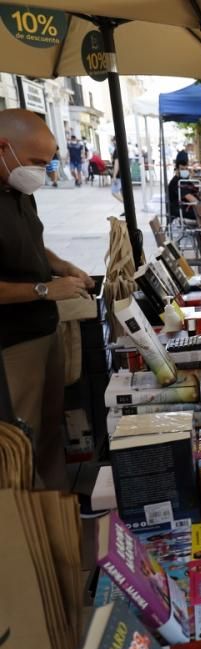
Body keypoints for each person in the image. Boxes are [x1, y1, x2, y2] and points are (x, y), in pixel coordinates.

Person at [0, 109, 95, 491]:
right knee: (21, 444)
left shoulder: (18, 191)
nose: (42, 172)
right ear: (4, 148)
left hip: (44, 329)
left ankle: (61, 511)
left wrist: (61, 266)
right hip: (12, 345)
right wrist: (43, 290)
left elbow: (34, 245)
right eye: (36, 161)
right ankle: (32, 531)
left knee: (51, 429)